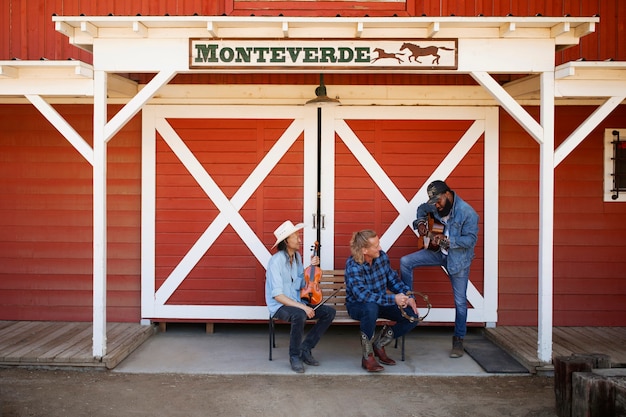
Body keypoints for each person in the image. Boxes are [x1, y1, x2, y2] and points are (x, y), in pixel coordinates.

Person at [400, 180, 479, 358]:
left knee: (460, 302)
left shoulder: (467, 213)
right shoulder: (435, 207)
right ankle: (409, 303)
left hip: (458, 260)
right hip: (437, 252)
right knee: (405, 261)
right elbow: (421, 209)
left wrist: (448, 241)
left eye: (439, 201)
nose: (436, 205)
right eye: (434, 202)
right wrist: (420, 223)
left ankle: (458, 339)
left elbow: (471, 241)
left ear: (448, 194)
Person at [265, 220, 336, 373]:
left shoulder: (296, 257)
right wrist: (302, 306)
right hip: (280, 306)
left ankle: (306, 348)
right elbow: (278, 296)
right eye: (296, 236)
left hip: (296, 301)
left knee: (329, 312)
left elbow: (299, 282)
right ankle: (294, 356)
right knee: (299, 315)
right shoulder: (275, 262)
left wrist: (311, 267)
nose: (299, 239)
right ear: (286, 241)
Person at [344, 229, 419, 372]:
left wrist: (408, 296)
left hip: (380, 302)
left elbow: (393, 280)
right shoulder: (353, 265)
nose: (380, 248)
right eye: (376, 246)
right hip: (358, 306)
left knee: (412, 317)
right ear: (364, 250)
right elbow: (362, 295)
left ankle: (379, 344)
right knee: (370, 307)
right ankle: (367, 357)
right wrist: (393, 298)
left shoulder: (382, 257)